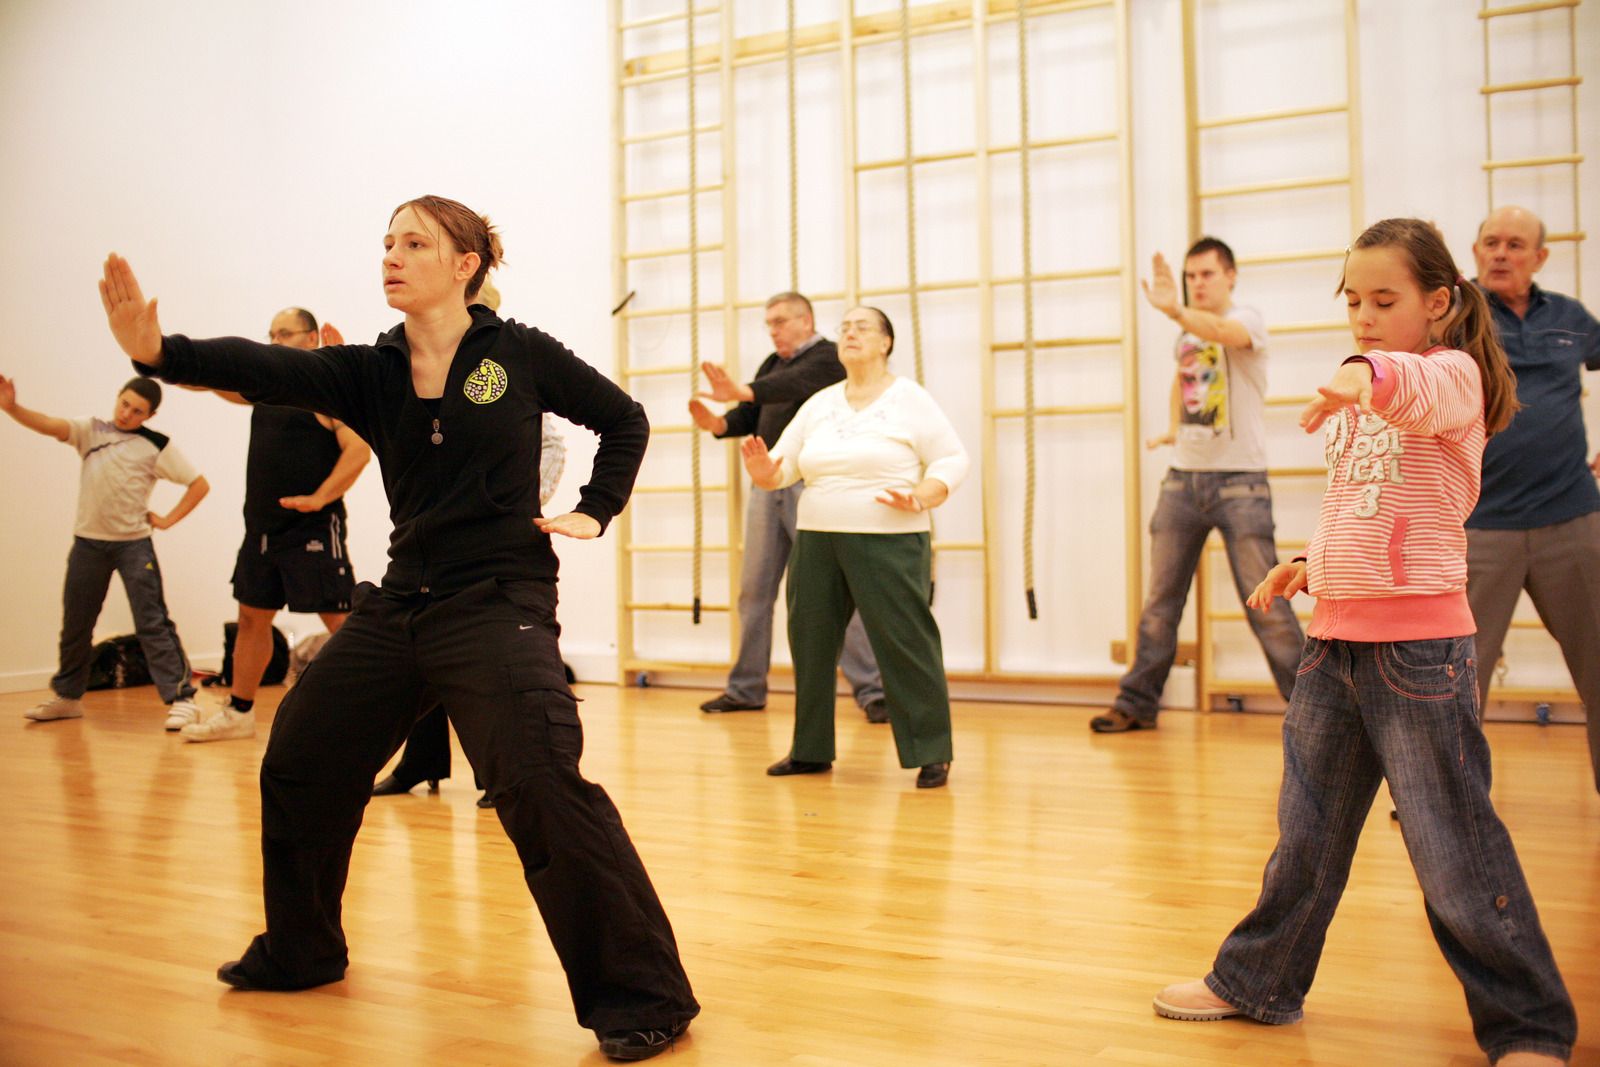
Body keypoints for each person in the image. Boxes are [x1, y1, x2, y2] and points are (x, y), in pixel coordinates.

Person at [98, 194, 698, 1062]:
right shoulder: (369, 371)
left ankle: (645, 994)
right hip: (404, 597)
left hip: (498, 598)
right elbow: (268, 368)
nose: (392, 255)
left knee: (535, 778)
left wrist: (595, 511)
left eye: (414, 242)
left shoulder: (518, 354)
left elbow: (624, 419)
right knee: (302, 754)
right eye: (386, 242)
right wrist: (161, 354)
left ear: (464, 266)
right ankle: (301, 949)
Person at [1153, 218, 1575, 1067]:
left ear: (1440, 302)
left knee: (1452, 846)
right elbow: (1374, 504)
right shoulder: (1361, 399)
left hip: (1417, 653)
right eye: (1353, 301)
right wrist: (1312, 563)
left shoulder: (1449, 375)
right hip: (1336, 643)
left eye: (1385, 300)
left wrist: (1362, 373)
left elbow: (1406, 386)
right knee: (1305, 834)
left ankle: (1528, 1027)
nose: (1365, 316)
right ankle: (1257, 981)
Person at [740, 307, 967, 789]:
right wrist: (764, 473)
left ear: (886, 342)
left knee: (906, 643)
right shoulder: (820, 403)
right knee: (811, 642)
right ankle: (810, 750)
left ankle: (930, 751)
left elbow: (951, 457)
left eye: (863, 326)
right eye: (844, 327)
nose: (850, 333)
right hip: (818, 541)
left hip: (891, 539)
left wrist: (924, 494)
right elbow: (782, 467)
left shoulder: (910, 398)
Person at [1092, 237, 1304, 732]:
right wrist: (1174, 426)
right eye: (1191, 276)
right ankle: (1137, 702)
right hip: (1183, 482)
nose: (1198, 283)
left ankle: (1316, 712)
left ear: (1230, 276)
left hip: (1240, 484)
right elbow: (1183, 376)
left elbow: (1222, 333)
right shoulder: (1186, 333)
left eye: (1207, 274)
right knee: (1160, 604)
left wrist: (1176, 311)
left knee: (1267, 607)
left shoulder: (1246, 320)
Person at [373, 278, 567, 806]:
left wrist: (520, 505)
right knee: (421, 654)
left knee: (489, 671)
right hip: (431, 545)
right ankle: (422, 762)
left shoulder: (503, 363)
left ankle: (495, 775)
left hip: (497, 547)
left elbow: (546, 443)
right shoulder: (415, 362)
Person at [689, 291, 887, 722]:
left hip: (810, 486)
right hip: (768, 485)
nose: (773, 329)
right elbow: (753, 411)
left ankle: (873, 690)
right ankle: (745, 689)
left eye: (780, 321)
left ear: (805, 320)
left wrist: (741, 389)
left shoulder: (827, 359)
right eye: (769, 323)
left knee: (835, 587)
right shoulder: (771, 364)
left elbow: (790, 387)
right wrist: (720, 423)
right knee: (754, 589)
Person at [178, 307, 372, 743]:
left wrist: (321, 498)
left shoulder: (326, 394)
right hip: (262, 528)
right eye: (270, 333)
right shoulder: (264, 390)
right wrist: (161, 359)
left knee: (342, 620)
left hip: (312, 529)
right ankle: (239, 712)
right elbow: (211, 381)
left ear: (311, 338)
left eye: (283, 333)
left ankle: (374, 707)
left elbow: (358, 451)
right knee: (251, 617)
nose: (274, 340)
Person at [1465, 204, 1600, 794]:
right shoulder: (1456, 315)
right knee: (1458, 677)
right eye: (1490, 242)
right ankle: (1448, 796)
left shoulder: (1570, 317)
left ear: (1539, 258)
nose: (1501, 253)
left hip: (1572, 519)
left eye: (1515, 244)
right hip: (1480, 527)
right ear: (1474, 251)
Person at [2, 374, 207, 728]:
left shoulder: (155, 445)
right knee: (77, 622)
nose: (126, 413)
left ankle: (182, 699)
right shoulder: (90, 431)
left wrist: (168, 520)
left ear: (149, 416)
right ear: (118, 398)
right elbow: (50, 425)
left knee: (152, 621)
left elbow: (198, 484)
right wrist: (12, 408)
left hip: (133, 546)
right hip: (88, 545)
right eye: (124, 403)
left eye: (137, 410)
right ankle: (67, 697)